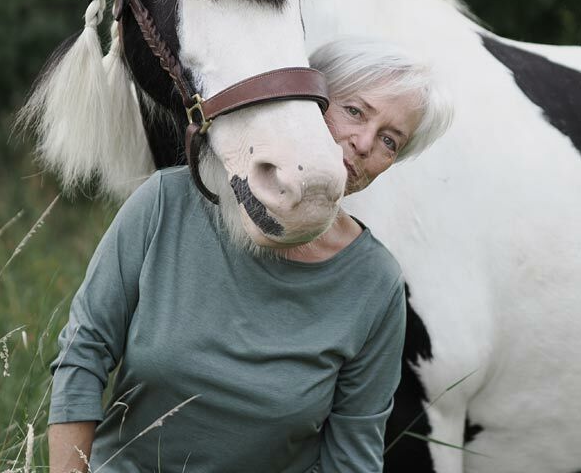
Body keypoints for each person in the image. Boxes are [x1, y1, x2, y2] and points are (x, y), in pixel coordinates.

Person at [48, 37, 453, 473]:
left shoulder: (374, 283)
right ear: (308, 102)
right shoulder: (166, 203)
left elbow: (353, 456)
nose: (364, 143)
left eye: (390, 141)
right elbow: (83, 354)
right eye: (354, 111)